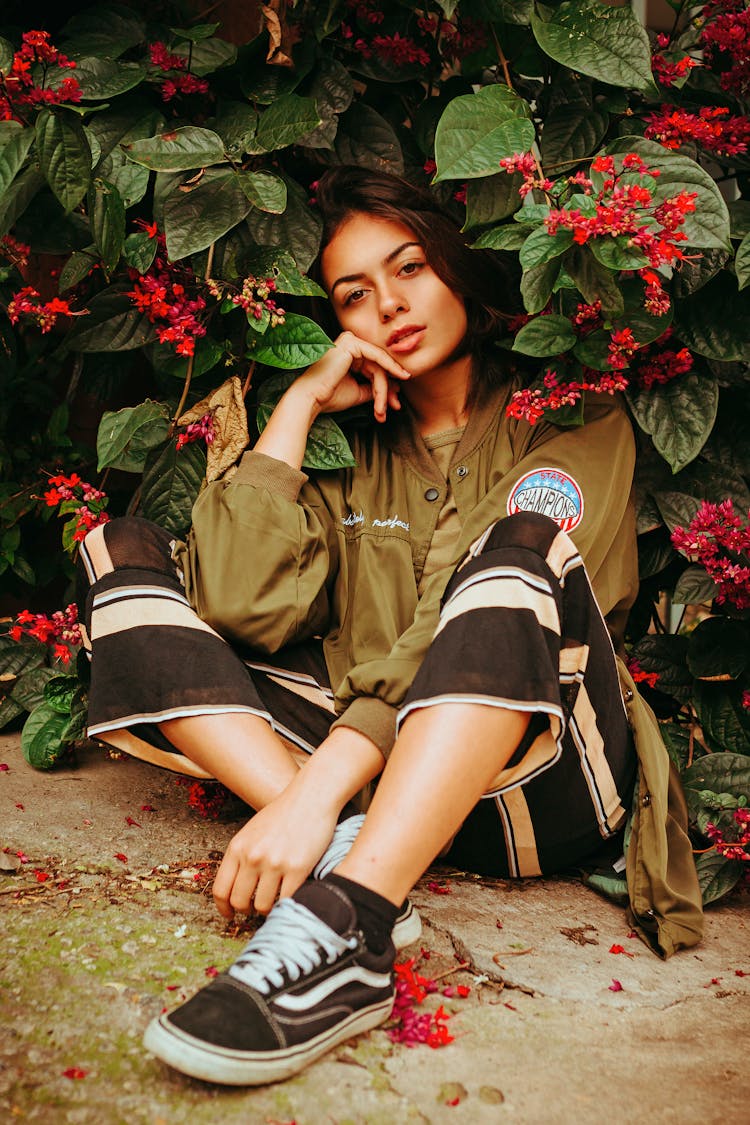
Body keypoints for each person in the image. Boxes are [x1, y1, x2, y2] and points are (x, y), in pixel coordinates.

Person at [77, 166, 702, 1087]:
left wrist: (312, 787)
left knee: (513, 555)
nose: (390, 307)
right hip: (363, 777)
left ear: (455, 267)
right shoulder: (351, 446)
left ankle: (353, 916)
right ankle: (345, 851)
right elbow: (240, 605)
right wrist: (296, 407)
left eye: (409, 268)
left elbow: (466, 603)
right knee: (120, 553)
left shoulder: (574, 416)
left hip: (530, 778)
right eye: (355, 295)